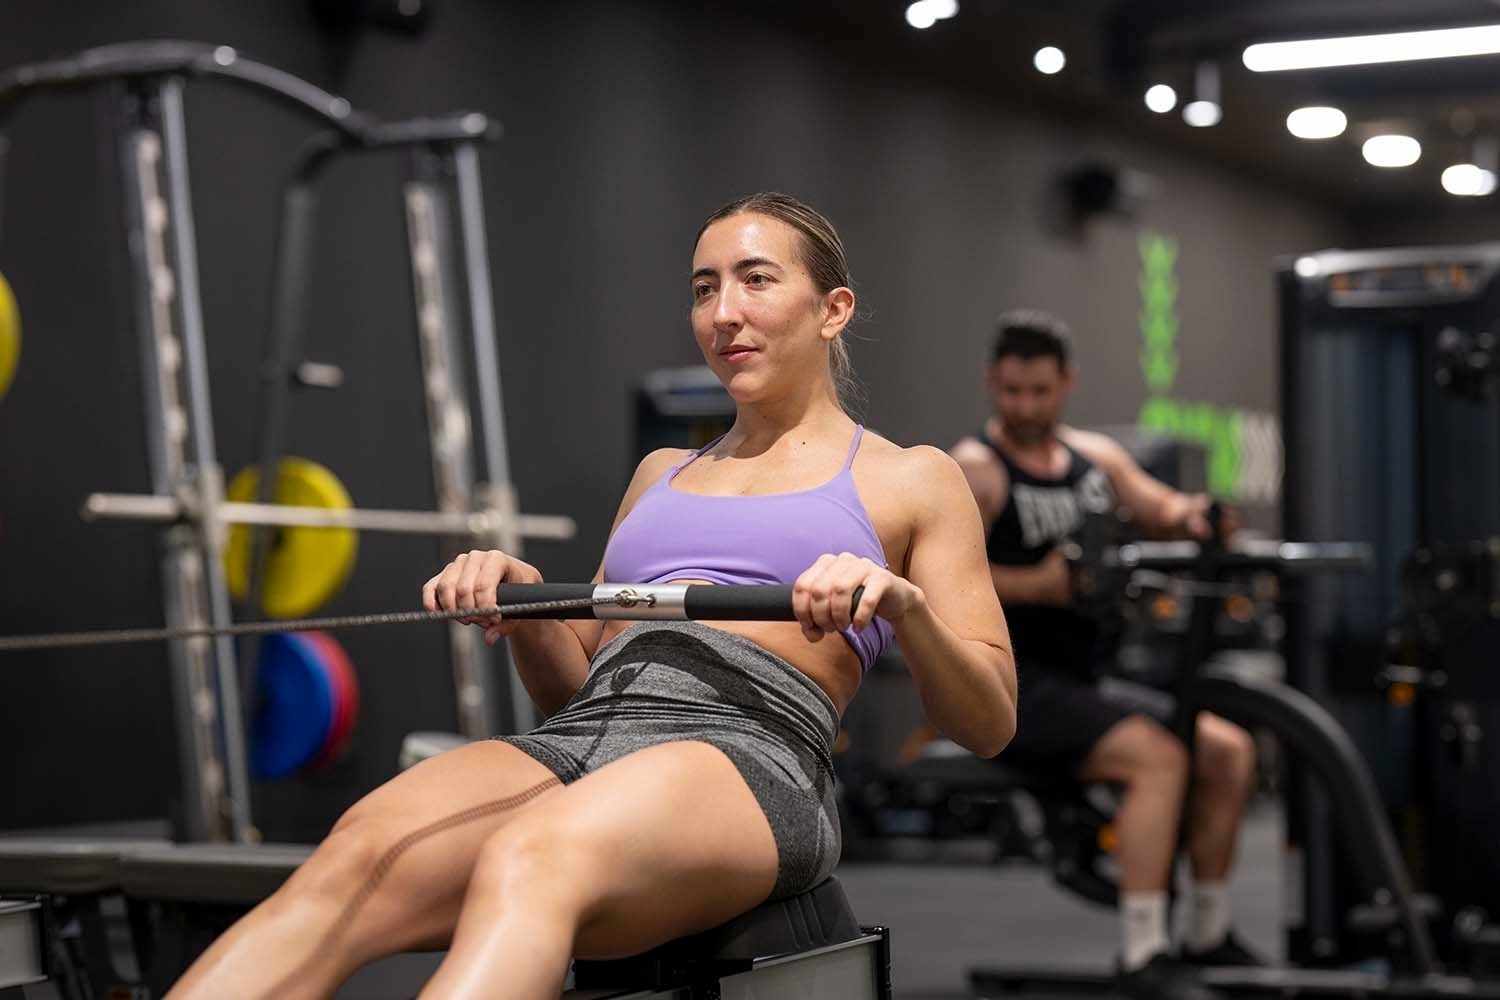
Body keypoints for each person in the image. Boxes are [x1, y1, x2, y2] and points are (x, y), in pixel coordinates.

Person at [166, 193, 1016, 999]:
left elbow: (989, 722)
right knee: (353, 856)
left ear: (832, 310)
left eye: (756, 280)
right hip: (587, 733)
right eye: (703, 288)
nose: (724, 313)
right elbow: (575, 690)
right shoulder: (661, 475)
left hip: (750, 755)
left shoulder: (911, 476)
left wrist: (906, 607)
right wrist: (528, 603)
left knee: (533, 854)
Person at [949, 310, 1261, 1000]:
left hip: (1087, 682)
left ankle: (1207, 933)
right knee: (1161, 756)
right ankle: (1144, 953)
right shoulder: (978, 471)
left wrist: (1199, 515)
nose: (1024, 408)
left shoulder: (1097, 461)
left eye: (1039, 392)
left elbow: (1163, 507)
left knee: (1229, 751)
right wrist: (1037, 584)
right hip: (1013, 689)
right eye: (1010, 393)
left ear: (1067, 384)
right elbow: (935, 576)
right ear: (991, 385)